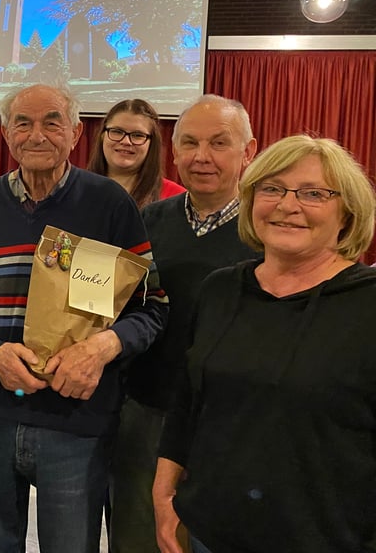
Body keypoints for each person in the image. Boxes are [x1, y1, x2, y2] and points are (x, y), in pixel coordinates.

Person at [0, 83, 167, 553]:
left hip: (77, 421)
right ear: (6, 134)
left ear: (76, 132)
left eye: (51, 122)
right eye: (22, 122)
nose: (36, 134)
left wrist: (99, 350)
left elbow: (152, 307)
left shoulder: (108, 204)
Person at [153, 135, 376, 553]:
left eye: (313, 193)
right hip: (208, 532)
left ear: (347, 212)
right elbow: (187, 405)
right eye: (271, 189)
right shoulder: (220, 289)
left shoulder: (368, 304)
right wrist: (164, 499)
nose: (287, 205)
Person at [110, 95, 260, 553]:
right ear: (174, 152)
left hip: (233, 420)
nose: (202, 156)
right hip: (148, 410)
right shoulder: (146, 221)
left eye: (219, 143)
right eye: (190, 143)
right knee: (137, 535)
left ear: (248, 152)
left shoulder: (268, 228)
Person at [87, 99, 184, 209]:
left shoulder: (176, 198)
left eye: (137, 135)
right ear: (102, 136)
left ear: (152, 144)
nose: (126, 141)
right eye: (117, 132)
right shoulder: (76, 189)